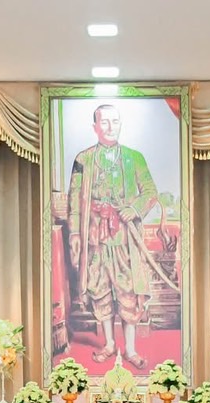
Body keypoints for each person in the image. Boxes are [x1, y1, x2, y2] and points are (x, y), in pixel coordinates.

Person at [65, 103, 164, 369]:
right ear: (95, 126)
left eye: (115, 121)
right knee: (100, 291)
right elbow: (74, 200)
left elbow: (150, 192)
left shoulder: (135, 157)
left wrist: (134, 208)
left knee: (128, 292)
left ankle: (130, 348)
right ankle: (109, 343)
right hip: (94, 238)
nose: (110, 127)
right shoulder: (83, 160)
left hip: (125, 239)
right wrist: (75, 232)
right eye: (104, 122)